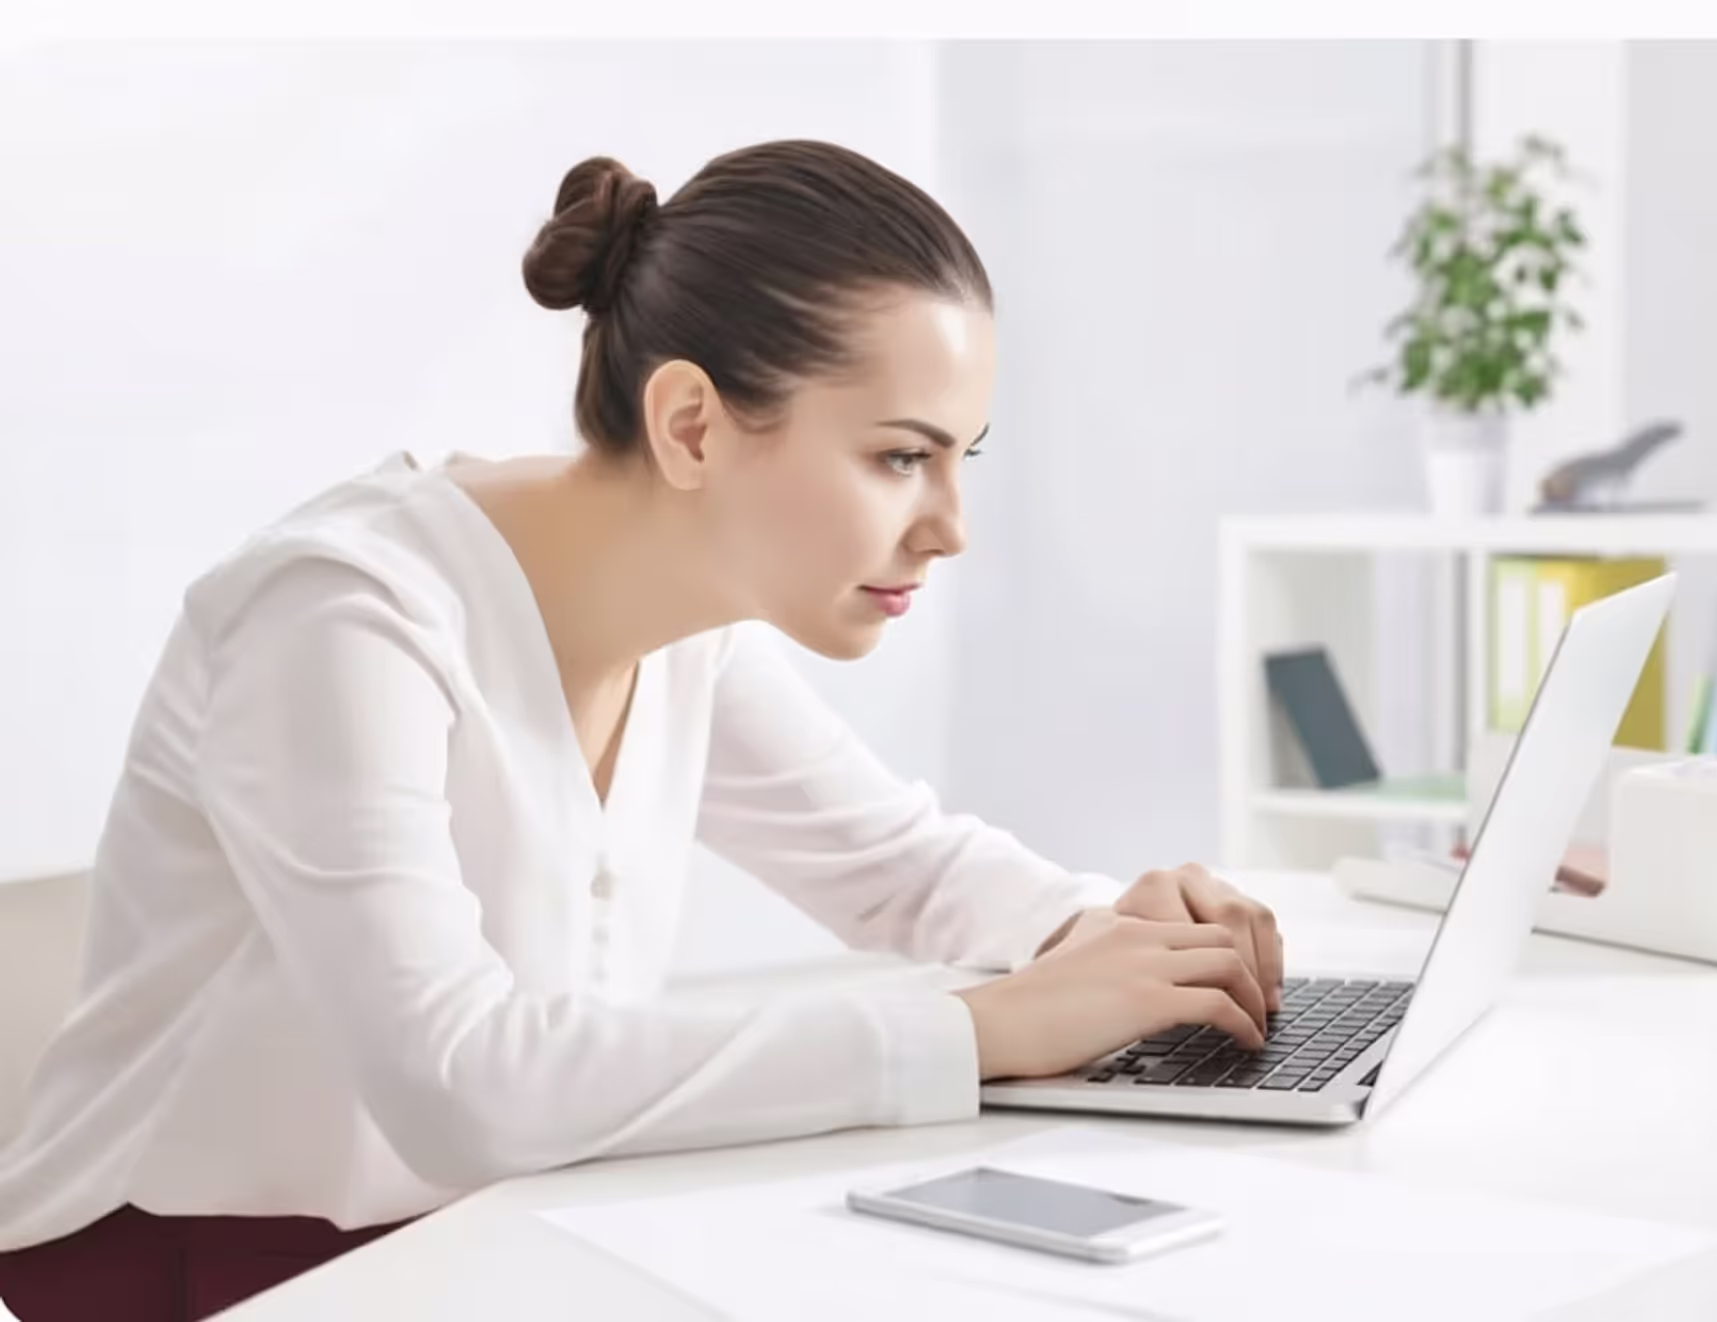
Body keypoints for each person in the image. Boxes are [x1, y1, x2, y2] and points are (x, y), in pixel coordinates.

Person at [0, 140, 1283, 1321]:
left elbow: (901, 864)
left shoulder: (686, 623)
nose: (951, 523)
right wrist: (988, 1026)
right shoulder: (343, 617)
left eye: (963, 458)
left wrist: (1111, 936)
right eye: (901, 457)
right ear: (690, 425)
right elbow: (460, 1082)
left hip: (481, 1227)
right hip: (198, 1270)